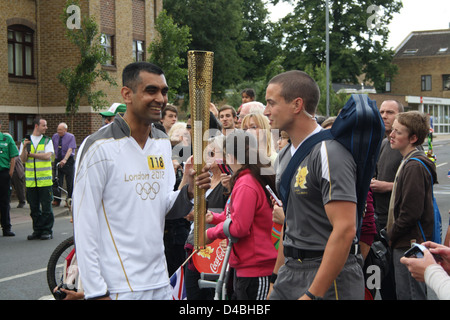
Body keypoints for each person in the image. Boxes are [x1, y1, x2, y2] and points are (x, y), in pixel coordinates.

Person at [72, 61, 211, 300]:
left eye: (164, 91)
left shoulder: (160, 142)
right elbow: (84, 223)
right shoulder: (98, 147)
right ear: (127, 93)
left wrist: (188, 190)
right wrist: (96, 292)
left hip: (159, 281)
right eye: (151, 90)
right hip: (118, 286)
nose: (160, 98)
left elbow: (163, 206)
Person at [264, 70, 364, 300]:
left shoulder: (329, 152)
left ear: (297, 104)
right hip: (290, 271)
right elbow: (291, 224)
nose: (266, 111)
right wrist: (275, 278)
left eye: (271, 103)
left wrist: (312, 295)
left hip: (329, 277)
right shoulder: (285, 156)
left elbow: (345, 229)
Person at [205, 130, 277, 300]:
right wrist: (215, 218)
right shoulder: (245, 179)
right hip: (247, 266)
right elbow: (238, 216)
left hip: (256, 267)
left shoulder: (246, 183)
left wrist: (210, 233)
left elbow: (239, 227)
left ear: (229, 156)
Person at [386, 111, 436, 300]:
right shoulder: (407, 161)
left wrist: (390, 236)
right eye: (393, 130)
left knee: (410, 294)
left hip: (409, 244)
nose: (391, 134)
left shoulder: (414, 166)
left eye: (398, 132)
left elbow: (410, 212)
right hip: (406, 241)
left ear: (413, 138)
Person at [182, 136, 229, 300]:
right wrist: (186, 175)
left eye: (211, 152)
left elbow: (232, 216)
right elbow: (183, 208)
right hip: (194, 246)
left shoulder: (227, 183)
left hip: (215, 252)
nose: (205, 157)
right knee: (193, 293)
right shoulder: (203, 179)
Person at [369, 99, 404, 300]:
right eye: (381, 111)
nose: (384, 116)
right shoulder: (382, 143)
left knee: (400, 284)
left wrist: (386, 186)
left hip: (397, 225)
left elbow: (418, 187)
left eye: (390, 112)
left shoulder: (408, 147)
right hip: (379, 221)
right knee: (382, 282)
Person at [20, 117, 55, 240]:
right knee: (34, 208)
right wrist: (24, 148)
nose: (46, 127)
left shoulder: (47, 140)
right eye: (44, 125)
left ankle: (47, 230)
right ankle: (37, 230)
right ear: (36, 126)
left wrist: (32, 155)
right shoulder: (26, 140)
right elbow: (23, 159)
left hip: (44, 181)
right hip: (31, 182)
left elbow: (47, 156)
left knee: (46, 208)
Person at [0, 120, 19, 236]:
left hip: (3, 174)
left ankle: (6, 228)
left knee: (4, 202)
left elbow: (13, 158)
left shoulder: (7, 139)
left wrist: (10, 173)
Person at [51, 123, 77, 207]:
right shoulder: (55, 136)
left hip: (68, 160)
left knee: (69, 181)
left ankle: (69, 200)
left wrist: (65, 159)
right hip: (58, 159)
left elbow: (70, 149)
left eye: (60, 130)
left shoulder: (71, 137)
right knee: (56, 180)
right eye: (58, 129)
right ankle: (57, 200)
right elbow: (52, 148)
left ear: (65, 130)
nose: (59, 131)